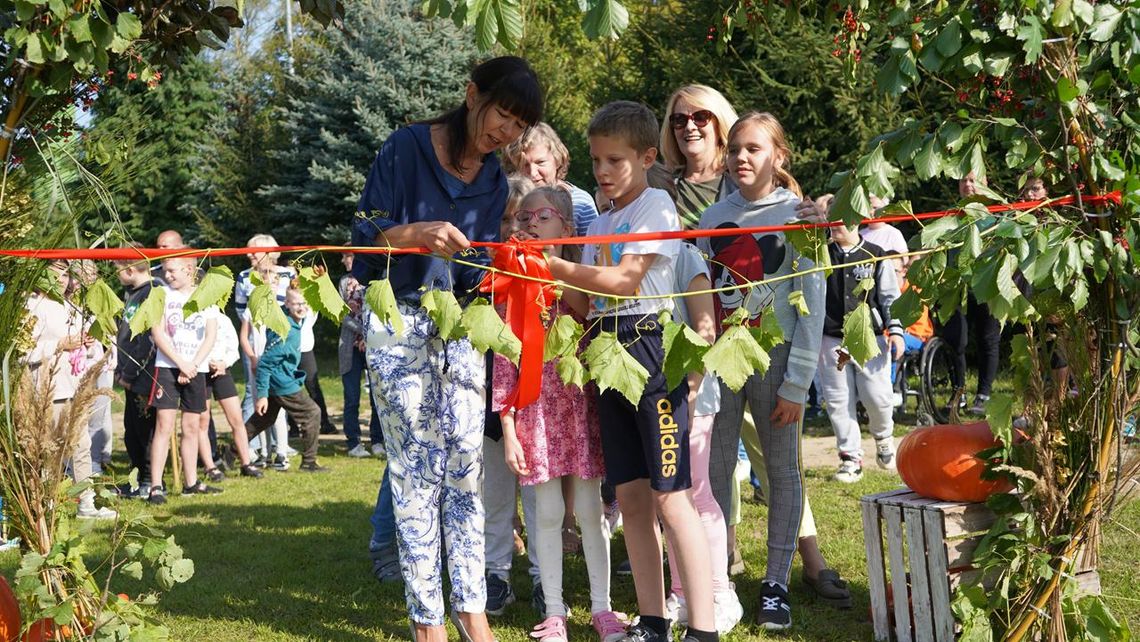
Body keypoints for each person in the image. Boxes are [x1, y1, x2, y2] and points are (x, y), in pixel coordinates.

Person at [351, 56, 543, 642]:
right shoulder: (405, 147)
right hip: (397, 322)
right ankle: (427, 622)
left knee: (465, 468)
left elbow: (474, 267)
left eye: (517, 125)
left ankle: (473, 614)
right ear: (471, 95)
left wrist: (501, 257)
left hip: (457, 326)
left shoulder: (491, 180)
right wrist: (413, 235)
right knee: (414, 472)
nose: (504, 131)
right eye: (501, 114)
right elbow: (363, 240)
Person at [546, 100, 717, 642]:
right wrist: (535, 264)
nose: (601, 172)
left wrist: (554, 263)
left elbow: (622, 282)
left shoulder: (657, 206)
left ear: (646, 157)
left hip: (650, 352)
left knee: (672, 497)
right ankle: (652, 620)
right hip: (607, 352)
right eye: (595, 160)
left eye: (614, 160)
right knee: (634, 497)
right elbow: (584, 297)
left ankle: (704, 627)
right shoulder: (599, 220)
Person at [696, 111, 828, 629]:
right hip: (722, 359)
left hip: (775, 360)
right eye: (734, 149)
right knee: (714, 467)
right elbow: (699, 289)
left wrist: (796, 383)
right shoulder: (710, 221)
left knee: (781, 470)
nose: (741, 158)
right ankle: (715, 578)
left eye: (753, 148)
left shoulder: (799, 219)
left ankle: (776, 582)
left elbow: (811, 307)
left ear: (779, 156)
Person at [494, 186, 625, 642]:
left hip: (579, 413)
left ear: (567, 229)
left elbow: (591, 311)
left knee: (591, 509)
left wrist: (558, 268)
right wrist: (507, 426)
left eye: (542, 215)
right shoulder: (510, 287)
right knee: (546, 512)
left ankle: (603, 608)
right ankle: (554, 611)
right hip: (535, 415)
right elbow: (505, 358)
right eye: (523, 216)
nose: (530, 222)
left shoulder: (581, 277)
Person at [662, 241, 744, 634]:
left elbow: (705, 327)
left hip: (691, 394)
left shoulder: (686, 256)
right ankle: (680, 592)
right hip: (654, 396)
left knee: (696, 492)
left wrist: (692, 391)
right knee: (668, 496)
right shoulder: (624, 249)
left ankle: (719, 591)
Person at [24, 261, 117, 519]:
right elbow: (23, 352)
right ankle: (47, 502)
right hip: (47, 388)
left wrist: (84, 343)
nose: (62, 279)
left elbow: (79, 348)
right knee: (50, 448)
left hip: (73, 385)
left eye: (65, 273)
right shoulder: (32, 305)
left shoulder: (70, 305)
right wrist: (60, 343)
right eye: (55, 272)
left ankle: (86, 502)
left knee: (82, 444)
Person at [819, 222, 906, 483]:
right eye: (830, 219)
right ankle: (850, 458)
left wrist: (896, 331)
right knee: (838, 400)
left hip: (870, 337)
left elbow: (890, 297)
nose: (835, 226)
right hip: (831, 338)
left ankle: (883, 437)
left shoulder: (875, 254)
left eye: (841, 220)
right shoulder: (821, 253)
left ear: (856, 221)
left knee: (877, 397)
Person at [148, 255, 222, 505]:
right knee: (163, 425)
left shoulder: (205, 297)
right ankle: (156, 485)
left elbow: (210, 336)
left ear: (189, 269)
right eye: (165, 271)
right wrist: (180, 362)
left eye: (172, 271)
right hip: (168, 366)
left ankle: (191, 482)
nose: (167, 276)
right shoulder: (161, 295)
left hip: (196, 369)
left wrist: (193, 364)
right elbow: (158, 333)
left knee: (191, 426)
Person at [243, 288, 329, 474]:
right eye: (297, 303)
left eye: (304, 303)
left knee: (263, 420)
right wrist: (263, 395)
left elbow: (313, 302)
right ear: (287, 304)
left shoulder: (290, 317)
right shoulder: (286, 329)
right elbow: (265, 363)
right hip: (281, 381)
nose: (302, 307)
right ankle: (309, 462)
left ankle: (231, 452)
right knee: (312, 413)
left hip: (283, 377)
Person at [234, 233, 297, 461]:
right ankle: (250, 445)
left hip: (281, 340)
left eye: (254, 251)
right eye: (247, 250)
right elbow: (241, 311)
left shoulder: (288, 274)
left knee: (279, 391)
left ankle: (280, 446)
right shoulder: (244, 277)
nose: (249, 254)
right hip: (254, 342)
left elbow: (297, 302)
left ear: (270, 252)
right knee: (254, 393)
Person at [945, 171, 1001, 414]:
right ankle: (958, 392)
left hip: (987, 285)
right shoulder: (951, 215)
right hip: (957, 286)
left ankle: (984, 394)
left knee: (988, 340)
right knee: (956, 339)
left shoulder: (997, 214)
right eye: (963, 181)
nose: (967, 185)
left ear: (985, 184)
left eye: (973, 180)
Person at [659, 85, 739, 229]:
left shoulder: (743, 181)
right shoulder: (660, 187)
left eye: (701, 117)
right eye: (679, 120)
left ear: (719, 123)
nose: (690, 127)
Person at [113, 249, 159, 497]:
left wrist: (130, 374)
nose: (116, 274)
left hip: (144, 376)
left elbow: (148, 340)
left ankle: (149, 480)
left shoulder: (152, 292)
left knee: (145, 430)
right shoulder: (132, 293)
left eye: (118, 268)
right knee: (131, 430)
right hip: (129, 373)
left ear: (130, 269)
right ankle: (136, 476)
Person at [199, 309, 264, 479]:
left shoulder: (223, 319)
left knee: (236, 419)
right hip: (200, 371)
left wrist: (223, 363)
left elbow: (233, 350)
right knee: (202, 421)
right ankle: (210, 467)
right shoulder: (193, 317)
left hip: (222, 371)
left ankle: (246, 463)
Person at [503, 122, 599, 235]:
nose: (533, 173)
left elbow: (594, 249)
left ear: (557, 159)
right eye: (524, 164)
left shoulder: (580, 202)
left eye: (540, 162)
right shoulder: (507, 200)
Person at [338, 251, 383, 458]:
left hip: (373, 343)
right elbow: (341, 314)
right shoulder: (344, 282)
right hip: (350, 346)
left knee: (376, 396)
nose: (343, 260)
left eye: (346, 256)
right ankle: (353, 442)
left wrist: (371, 335)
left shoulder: (376, 278)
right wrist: (363, 331)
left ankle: (377, 440)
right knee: (352, 397)